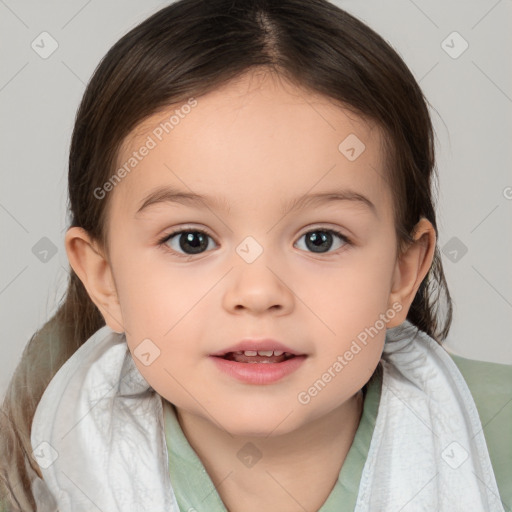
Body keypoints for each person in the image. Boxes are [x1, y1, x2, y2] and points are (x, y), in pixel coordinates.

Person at [1, 0, 510, 511]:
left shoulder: (496, 437)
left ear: (402, 275)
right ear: (104, 279)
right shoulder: (51, 463)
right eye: (191, 240)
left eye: (320, 239)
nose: (258, 292)